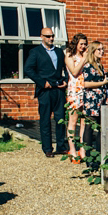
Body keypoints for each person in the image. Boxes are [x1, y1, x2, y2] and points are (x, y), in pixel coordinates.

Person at [23, 27, 68, 157]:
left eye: (52, 36)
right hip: (45, 90)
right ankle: (47, 148)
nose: (51, 38)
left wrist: (65, 80)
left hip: (58, 90)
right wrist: (42, 82)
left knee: (60, 118)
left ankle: (60, 145)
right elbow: (28, 69)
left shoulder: (59, 52)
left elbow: (66, 69)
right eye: (48, 36)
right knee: (45, 120)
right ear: (42, 37)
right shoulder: (35, 52)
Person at [81, 41, 108, 164]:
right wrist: (102, 83)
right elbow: (86, 84)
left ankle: (99, 155)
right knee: (89, 127)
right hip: (92, 100)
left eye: (102, 49)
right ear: (93, 51)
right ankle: (89, 157)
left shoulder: (100, 66)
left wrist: (106, 81)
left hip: (101, 100)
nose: (102, 51)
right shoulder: (88, 66)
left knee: (101, 127)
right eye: (99, 49)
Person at [65, 33, 89, 162]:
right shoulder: (70, 56)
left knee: (84, 122)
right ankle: (72, 149)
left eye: (85, 44)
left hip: (86, 91)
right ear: (76, 44)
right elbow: (74, 72)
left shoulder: (86, 56)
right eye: (81, 44)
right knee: (73, 121)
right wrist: (84, 59)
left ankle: (83, 149)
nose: (83, 46)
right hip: (74, 91)